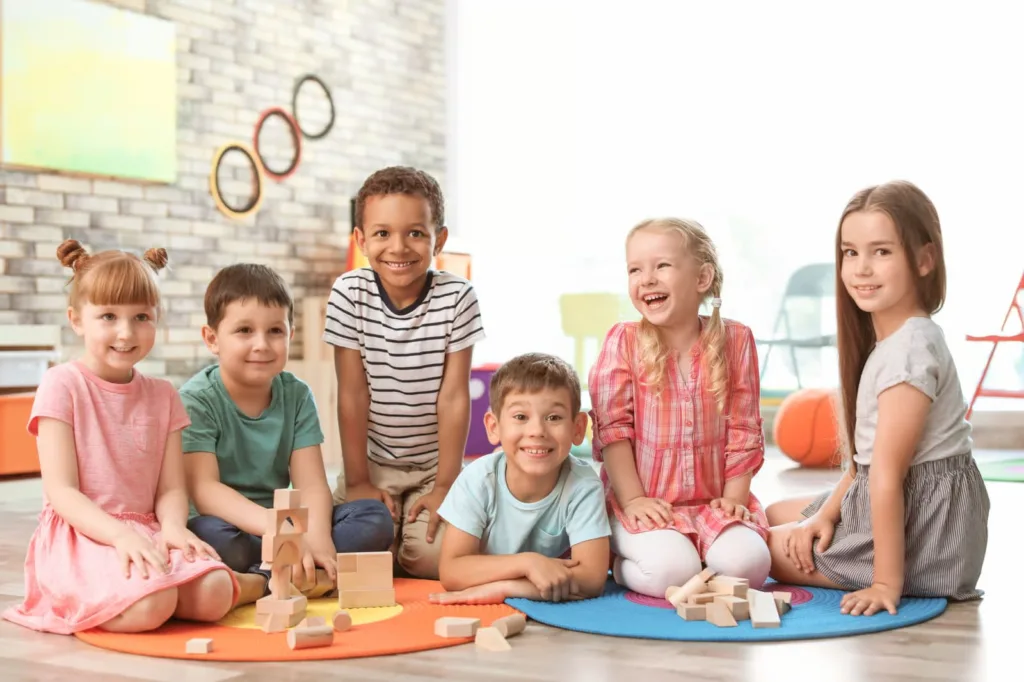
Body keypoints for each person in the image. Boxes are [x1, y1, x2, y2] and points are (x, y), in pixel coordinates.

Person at [765, 180, 990, 616]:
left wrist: (885, 584)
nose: (861, 268)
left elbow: (886, 477)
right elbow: (864, 465)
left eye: (881, 252)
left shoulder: (908, 353)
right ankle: (828, 527)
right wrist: (824, 515)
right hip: (906, 505)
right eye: (851, 252)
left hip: (927, 536)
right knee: (777, 512)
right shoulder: (894, 341)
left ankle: (889, 571)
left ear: (925, 259)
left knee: (763, 548)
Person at [2, 240, 237, 634]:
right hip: (84, 534)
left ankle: (161, 592)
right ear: (76, 319)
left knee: (215, 592)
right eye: (108, 316)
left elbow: (171, 488)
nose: (126, 333)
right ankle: (141, 596)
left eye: (141, 317)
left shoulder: (163, 395)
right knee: (152, 602)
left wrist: (175, 528)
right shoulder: (62, 384)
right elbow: (62, 493)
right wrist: (119, 535)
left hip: (147, 529)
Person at [182, 264, 394, 604]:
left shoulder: (296, 395)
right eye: (245, 330)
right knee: (208, 535)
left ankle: (267, 578)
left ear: (290, 334)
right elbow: (206, 491)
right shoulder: (196, 400)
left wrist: (318, 537)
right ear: (212, 339)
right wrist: (288, 535)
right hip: (234, 528)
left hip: (288, 523)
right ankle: (295, 575)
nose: (262, 344)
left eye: (275, 331)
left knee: (374, 518)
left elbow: (311, 483)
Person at [589, 218, 771, 599]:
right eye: (635, 269)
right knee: (671, 573)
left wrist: (735, 500)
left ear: (702, 278)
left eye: (662, 266)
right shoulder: (624, 342)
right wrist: (633, 499)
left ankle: (702, 552)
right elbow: (613, 432)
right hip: (643, 502)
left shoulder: (736, 341)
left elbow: (744, 430)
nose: (647, 279)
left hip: (712, 503)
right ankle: (621, 563)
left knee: (748, 568)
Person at [324, 166, 486, 579]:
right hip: (372, 461)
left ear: (439, 239)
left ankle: (403, 536)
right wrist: (359, 480)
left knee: (431, 560)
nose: (398, 247)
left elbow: (453, 396)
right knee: (346, 550)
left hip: (435, 464)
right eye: (382, 234)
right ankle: (386, 531)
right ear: (361, 240)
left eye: (415, 232)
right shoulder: (348, 293)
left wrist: (445, 484)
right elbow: (352, 393)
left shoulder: (457, 297)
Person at [428, 353, 611, 605]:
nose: (537, 431)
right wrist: (528, 563)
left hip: (497, 580)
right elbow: (452, 571)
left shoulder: (583, 485)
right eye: (520, 417)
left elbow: (591, 579)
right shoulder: (477, 479)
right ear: (494, 427)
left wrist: (507, 588)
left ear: (578, 428)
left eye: (554, 417)